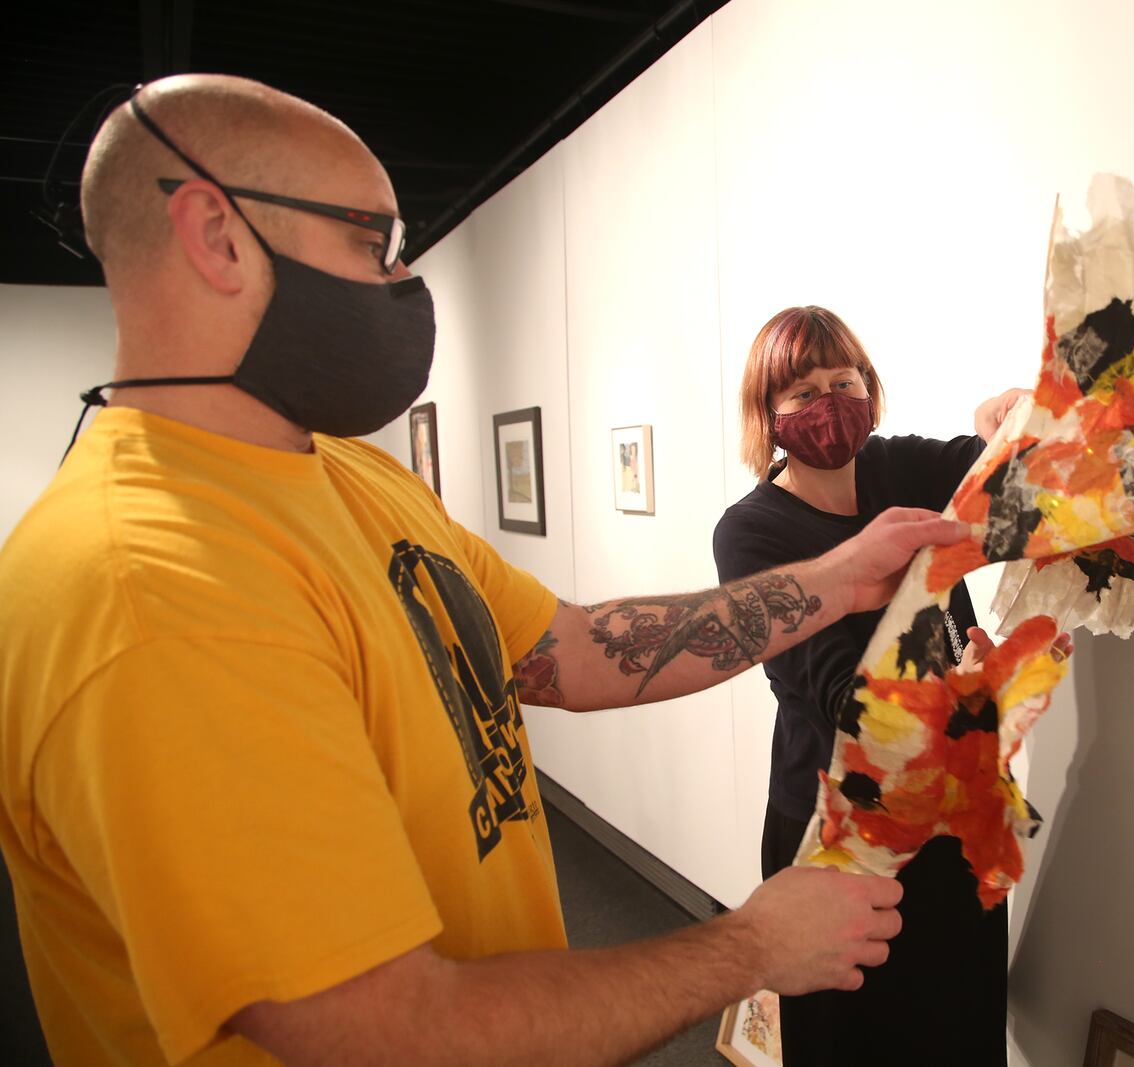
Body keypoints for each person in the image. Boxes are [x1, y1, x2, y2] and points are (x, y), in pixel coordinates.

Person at [0, 76, 971, 1067]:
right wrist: (750, 943)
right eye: (371, 241)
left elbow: (574, 649)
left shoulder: (350, 475)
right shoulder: (152, 592)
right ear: (218, 235)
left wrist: (843, 577)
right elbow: (388, 1027)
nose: (404, 275)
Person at [712, 306, 1029, 1065]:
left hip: (955, 815)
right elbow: (836, 694)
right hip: (840, 832)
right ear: (768, 414)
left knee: (962, 1020)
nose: (829, 403)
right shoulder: (751, 531)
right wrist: (973, 688)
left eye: (843, 381)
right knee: (853, 1040)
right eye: (802, 393)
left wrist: (1013, 423)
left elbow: (1013, 471)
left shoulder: (899, 470)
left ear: (870, 388)